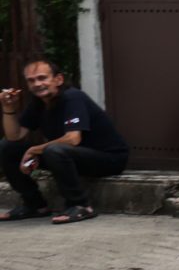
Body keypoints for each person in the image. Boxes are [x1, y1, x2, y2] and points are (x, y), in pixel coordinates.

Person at [0, 58, 130, 225]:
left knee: (55, 150)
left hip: (109, 159)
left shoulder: (72, 97)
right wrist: (8, 109)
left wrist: (34, 150)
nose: (37, 84)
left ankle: (80, 205)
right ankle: (34, 205)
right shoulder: (38, 103)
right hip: (71, 157)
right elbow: (14, 136)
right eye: (31, 80)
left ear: (58, 79)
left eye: (42, 78)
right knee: (7, 147)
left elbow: (73, 139)